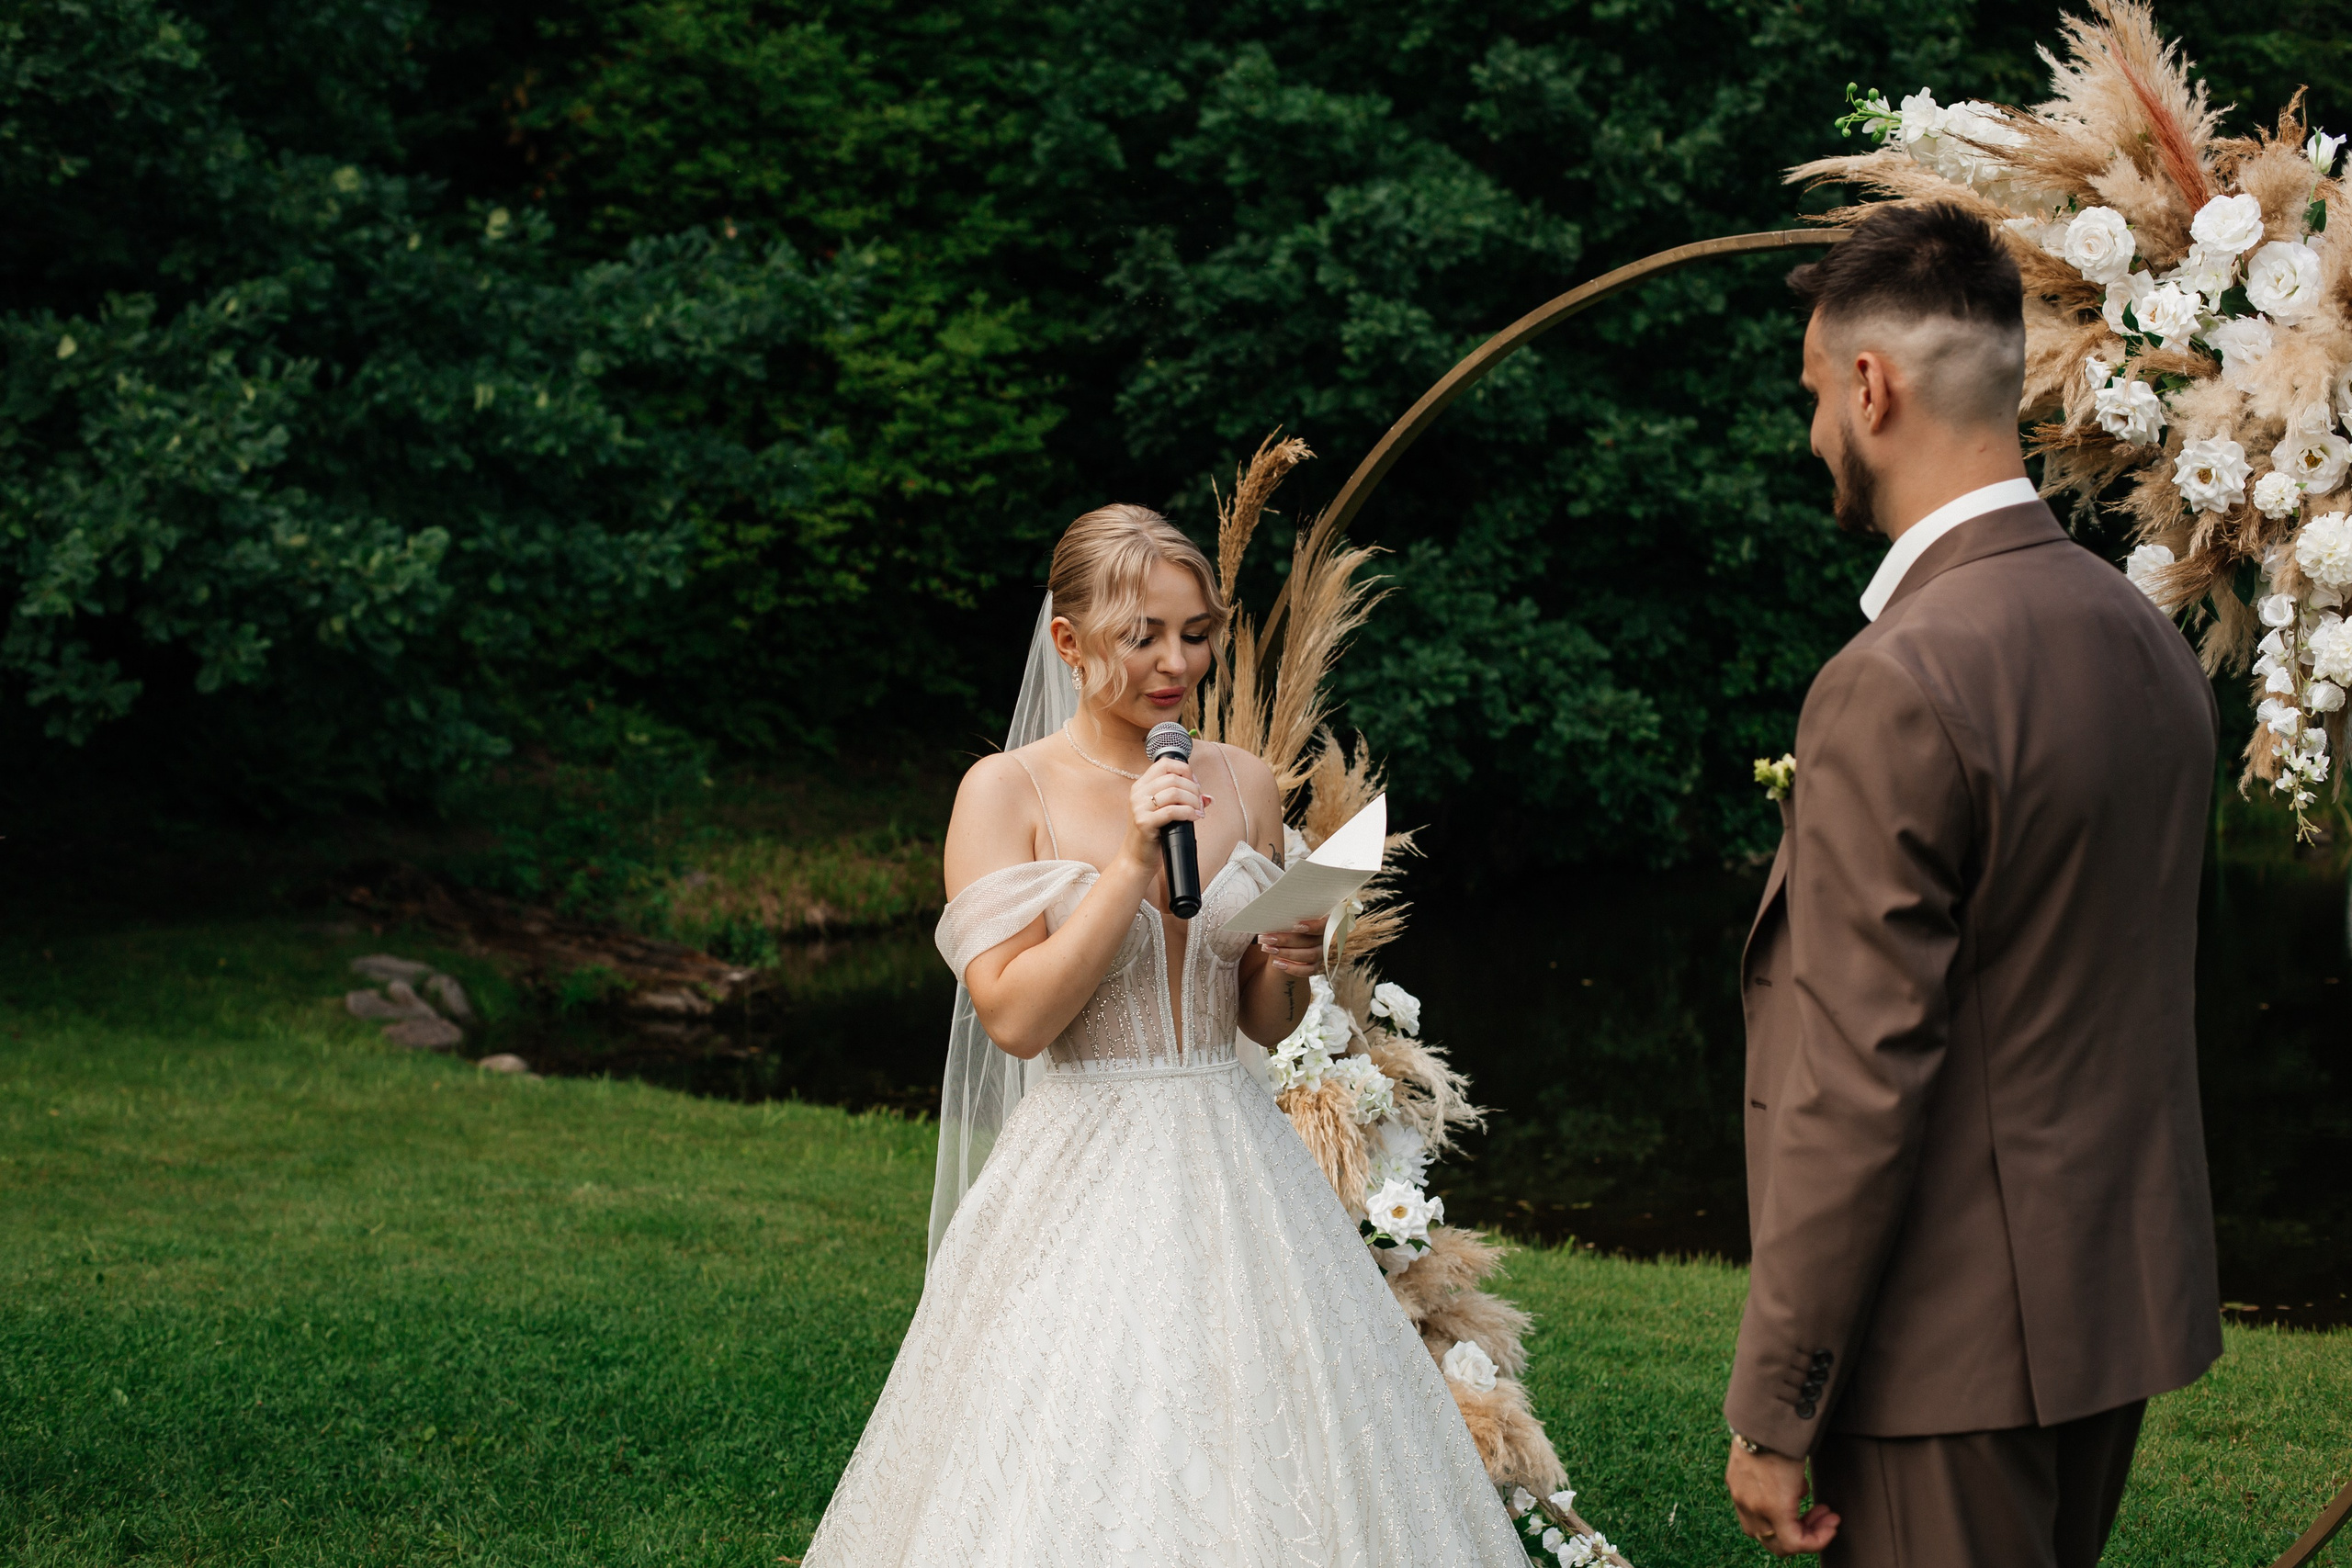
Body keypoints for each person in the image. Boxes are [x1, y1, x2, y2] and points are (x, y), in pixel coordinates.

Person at [803, 504, 1526, 1566]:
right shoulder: (1007, 792)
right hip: (1082, 1150)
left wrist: (1288, 967)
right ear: (1068, 640)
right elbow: (1016, 1018)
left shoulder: (1239, 781)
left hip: (1236, 1144)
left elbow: (1257, 1021)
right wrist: (1132, 865)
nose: (1175, 661)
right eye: (1142, 635)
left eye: (1196, 632)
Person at [1722, 202, 2221, 1568]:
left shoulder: (1894, 680)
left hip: (1942, 1354)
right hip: (2104, 1320)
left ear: (1871, 387)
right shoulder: (2148, 640)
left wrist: (1776, 1405)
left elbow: (1856, 1075)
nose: (1816, 428)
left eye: (1817, 393)